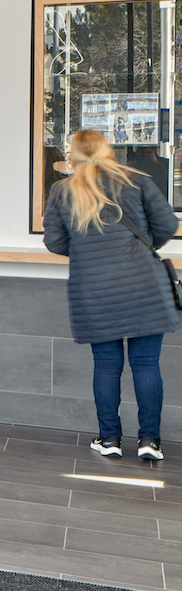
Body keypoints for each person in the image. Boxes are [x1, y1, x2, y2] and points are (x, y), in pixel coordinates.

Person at [42, 128, 182, 463]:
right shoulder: (137, 180)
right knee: (146, 363)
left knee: (106, 365)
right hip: (145, 286)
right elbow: (167, 225)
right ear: (107, 150)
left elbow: (54, 242)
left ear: (73, 154)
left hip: (94, 289)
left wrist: (89, 253)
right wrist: (140, 247)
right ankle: (150, 440)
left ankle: (110, 439)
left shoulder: (63, 191)